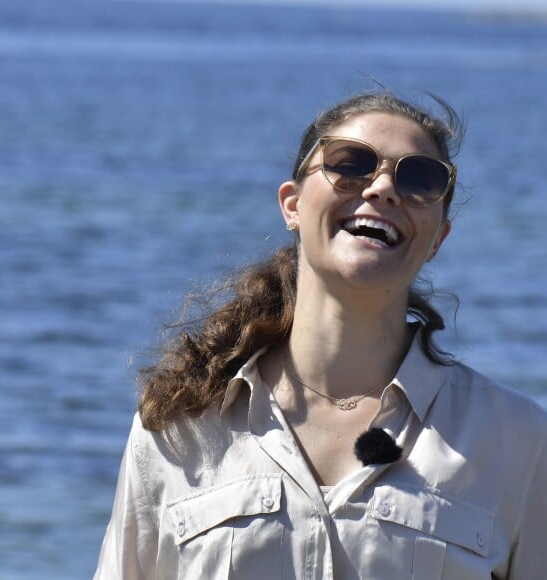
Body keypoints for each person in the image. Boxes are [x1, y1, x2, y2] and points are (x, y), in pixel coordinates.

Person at [94, 91, 547, 579]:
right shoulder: (179, 422)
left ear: (438, 238)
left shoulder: (518, 441)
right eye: (351, 164)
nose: (382, 189)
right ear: (291, 204)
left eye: (419, 179)